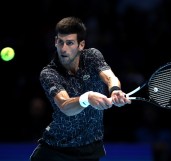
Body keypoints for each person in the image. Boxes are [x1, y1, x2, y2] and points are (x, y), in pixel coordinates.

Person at [30, 16, 131, 161]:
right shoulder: (49, 73)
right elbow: (65, 105)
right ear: (55, 42)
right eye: (60, 42)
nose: (63, 49)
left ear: (81, 45)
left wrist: (115, 90)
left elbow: (110, 77)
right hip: (56, 150)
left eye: (70, 43)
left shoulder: (91, 57)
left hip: (90, 149)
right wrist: (87, 98)